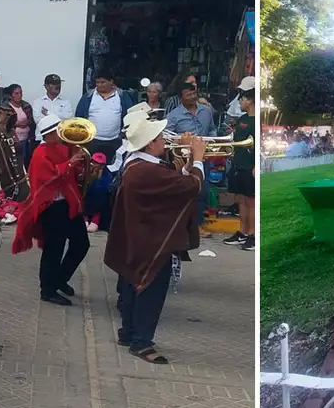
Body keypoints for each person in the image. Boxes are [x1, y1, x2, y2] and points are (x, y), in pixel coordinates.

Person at [104, 116, 206, 365]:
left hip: (137, 237)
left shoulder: (138, 163)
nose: (165, 141)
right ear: (150, 144)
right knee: (150, 291)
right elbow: (191, 186)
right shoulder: (146, 170)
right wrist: (199, 158)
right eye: (160, 138)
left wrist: (185, 163)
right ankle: (142, 342)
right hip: (151, 241)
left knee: (131, 286)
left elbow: (171, 185)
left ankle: (128, 334)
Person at [12, 115, 94, 306]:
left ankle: (59, 278)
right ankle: (47, 290)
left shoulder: (62, 148)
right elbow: (49, 178)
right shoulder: (40, 153)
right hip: (51, 207)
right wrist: (72, 162)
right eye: (59, 129)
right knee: (53, 249)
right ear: (49, 133)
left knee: (81, 244)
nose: (64, 132)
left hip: (67, 203)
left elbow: (70, 173)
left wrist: (84, 168)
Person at [166, 82, 218, 238]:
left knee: (202, 191)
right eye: (188, 95)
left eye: (194, 93)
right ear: (180, 97)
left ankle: (197, 225)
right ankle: (182, 224)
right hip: (185, 160)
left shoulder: (206, 111)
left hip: (204, 156)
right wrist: (181, 143)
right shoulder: (173, 116)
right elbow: (167, 138)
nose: (193, 97)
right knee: (185, 193)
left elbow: (212, 129)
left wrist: (213, 141)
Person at [222, 77, 256, 251]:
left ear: (250, 99)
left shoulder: (256, 120)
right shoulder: (243, 118)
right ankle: (242, 232)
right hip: (239, 164)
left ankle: (253, 234)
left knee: (251, 201)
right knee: (241, 199)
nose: (240, 101)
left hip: (250, 166)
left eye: (243, 97)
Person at [75, 70, 134, 166]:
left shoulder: (122, 96)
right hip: (92, 142)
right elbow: (79, 117)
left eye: (103, 82)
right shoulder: (88, 96)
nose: (99, 85)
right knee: (90, 168)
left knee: (112, 168)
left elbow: (131, 116)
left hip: (115, 142)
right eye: (97, 82)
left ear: (111, 82)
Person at [2, 83, 37, 168]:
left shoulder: (26, 105)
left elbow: (32, 119)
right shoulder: (4, 107)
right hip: (13, 139)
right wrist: (16, 124)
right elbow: (2, 123)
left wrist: (27, 122)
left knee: (25, 159)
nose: (20, 95)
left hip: (26, 139)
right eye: (16, 93)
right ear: (11, 96)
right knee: (15, 161)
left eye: (21, 93)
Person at [32, 74, 74, 139]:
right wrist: (59, 118)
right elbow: (39, 121)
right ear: (46, 86)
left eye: (59, 83)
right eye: (54, 84)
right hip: (41, 139)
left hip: (61, 138)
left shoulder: (66, 102)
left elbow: (67, 121)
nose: (58, 86)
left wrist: (48, 113)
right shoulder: (38, 102)